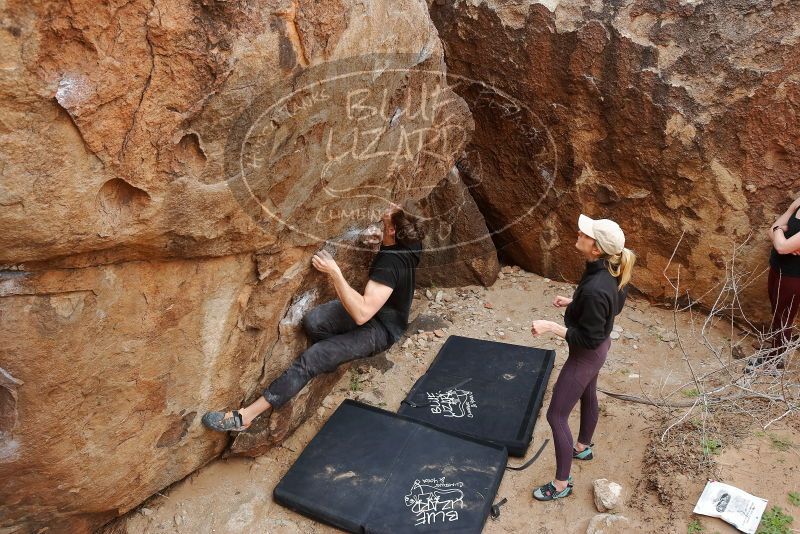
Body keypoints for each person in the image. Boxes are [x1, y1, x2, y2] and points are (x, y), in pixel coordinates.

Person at [202, 203, 424, 432]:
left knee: (313, 357)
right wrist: (380, 244)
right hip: (376, 309)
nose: (391, 207)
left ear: (393, 231)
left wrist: (334, 271)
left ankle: (245, 417)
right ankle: (336, 353)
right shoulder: (411, 241)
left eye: (393, 212)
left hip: (380, 329)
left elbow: (362, 314)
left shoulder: (390, 265)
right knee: (314, 321)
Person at [529, 214, 635, 501]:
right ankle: (582, 447)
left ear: (596, 248)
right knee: (588, 392)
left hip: (586, 354)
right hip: (598, 350)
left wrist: (551, 327)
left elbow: (588, 335)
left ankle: (561, 484)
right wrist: (576, 302)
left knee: (556, 415)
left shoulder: (596, 287)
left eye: (586, 233)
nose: (579, 232)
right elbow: (610, 306)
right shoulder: (611, 269)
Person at [763, 196, 800, 370]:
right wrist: (778, 231)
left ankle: (776, 362)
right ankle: (774, 350)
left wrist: (779, 230)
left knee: (784, 318)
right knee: (777, 312)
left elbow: (782, 247)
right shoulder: (799, 202)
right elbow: (771, 231)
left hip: (793, 276)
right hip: (777, 268)